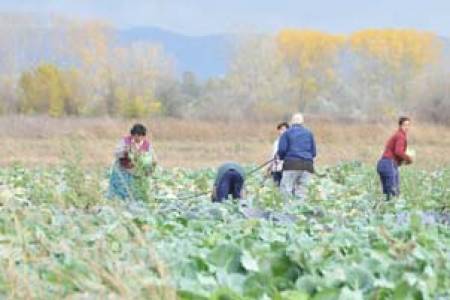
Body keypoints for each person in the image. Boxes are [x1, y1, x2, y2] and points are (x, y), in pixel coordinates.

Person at [108, 123, 156, 200]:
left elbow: (151, 159)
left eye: (140, 136)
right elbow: (116, 153)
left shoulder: (147, 145)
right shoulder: (125, 141)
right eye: (135, 136)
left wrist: (149, 169)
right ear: (132, 135)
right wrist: (125, 152)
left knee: (134, 192)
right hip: (122, 170)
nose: (137, 138)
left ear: (143, 136)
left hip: (136, 172)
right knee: (119, 191)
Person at [278, 113, 316, 200]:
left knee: (286, 190)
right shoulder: (309, 133)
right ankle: (299, 211)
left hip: (291, 164)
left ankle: (286, 212)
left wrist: (281, 158)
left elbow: (282, 150)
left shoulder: (286, 133)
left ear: (292, 122)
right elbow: (313, 152)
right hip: (308, 165)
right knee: (302, 192)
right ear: (302, 122)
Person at [377, 116, 412, 201]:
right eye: (404, 125)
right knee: (394, 193)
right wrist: (408, 158)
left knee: (387, 195)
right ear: (400, 126)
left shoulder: (397, 135)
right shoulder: (400, 136)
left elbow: (395, 153)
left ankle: (385, 212)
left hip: (382, 164)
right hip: (389, 164)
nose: (407, 127)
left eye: (408, 125)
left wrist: (403, 161)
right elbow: (398, 152)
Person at [267, 122, 289, 186]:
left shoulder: (290, 142)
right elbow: (273, 156)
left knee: (285, 188)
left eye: (284, 129)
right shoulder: (276, 142)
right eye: (281, 129)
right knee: (276, 188)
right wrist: (269, 167)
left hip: (286, 169)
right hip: (276, 169)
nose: (282, 131)